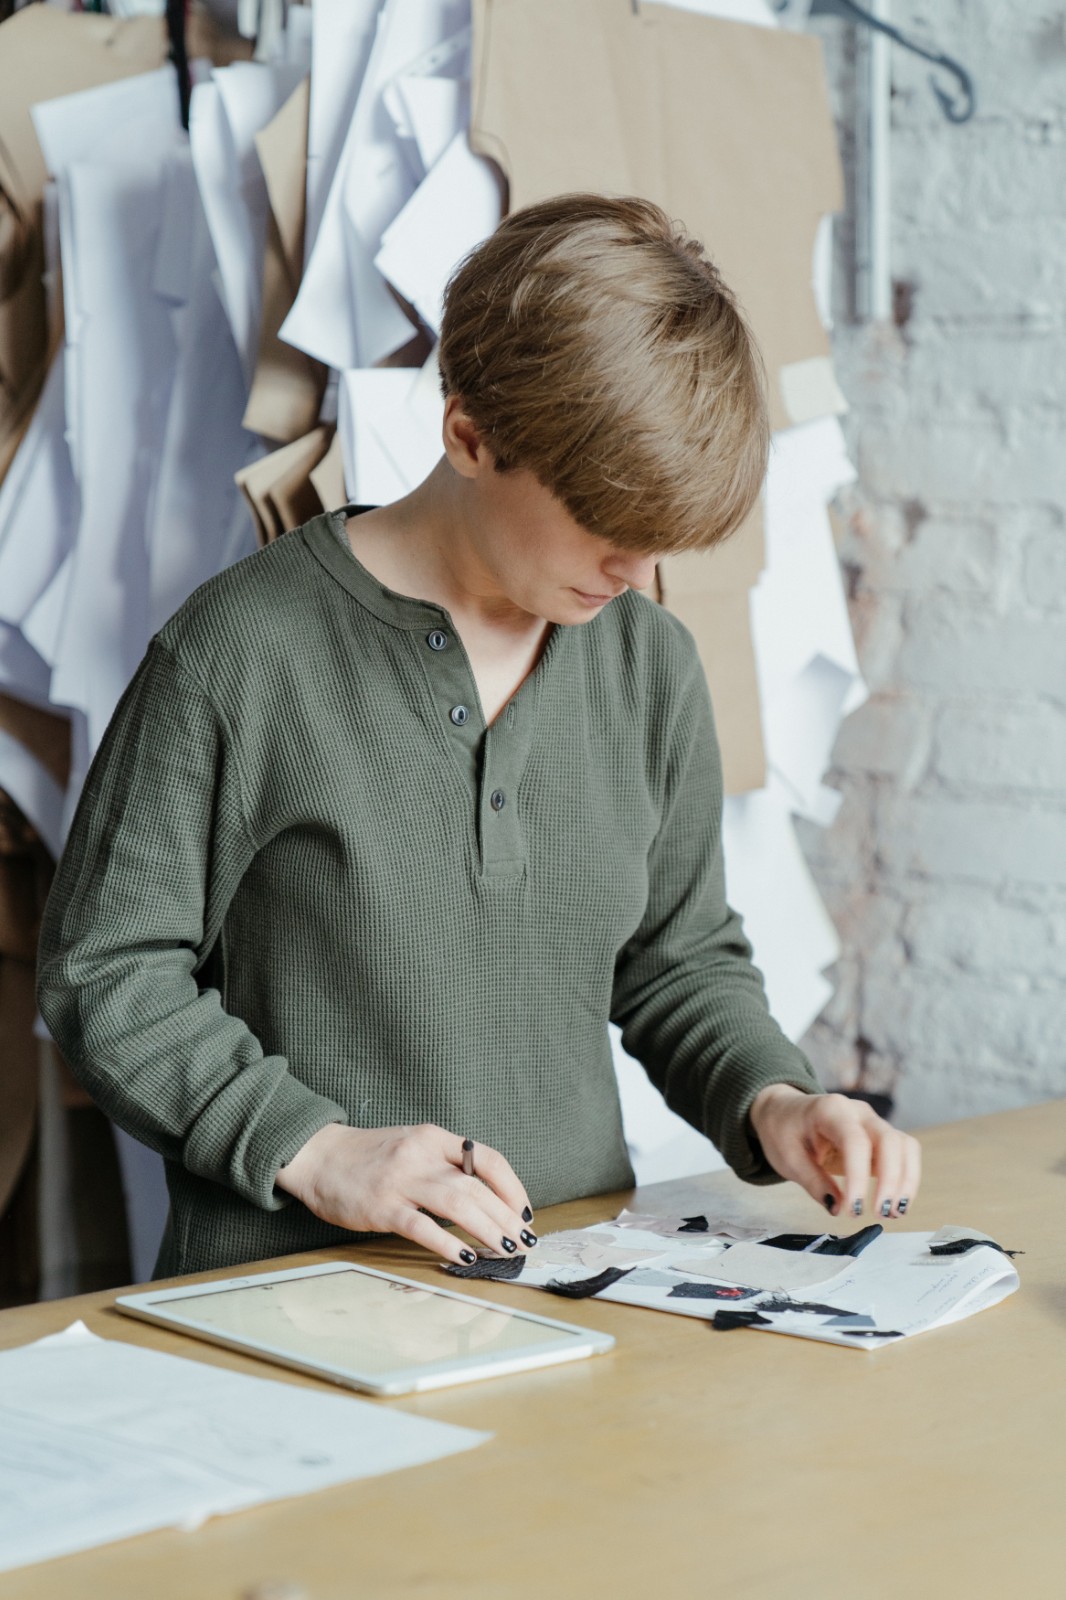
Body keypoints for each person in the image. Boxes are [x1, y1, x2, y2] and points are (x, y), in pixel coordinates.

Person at [36, 194, 921, 1280]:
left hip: (575, 1288)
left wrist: (774, 1100)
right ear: (469, 434)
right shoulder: (238, 652)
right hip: (282, 1309)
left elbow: (676, 958)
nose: (636, 578)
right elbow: (106, 971)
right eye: (606, 530)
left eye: (659, 546)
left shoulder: (648, 664)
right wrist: (312, 1149)